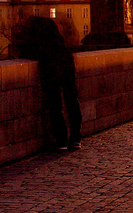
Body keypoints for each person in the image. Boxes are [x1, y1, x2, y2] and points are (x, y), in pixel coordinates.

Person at [12, 16, 82, 151]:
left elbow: (28, 52)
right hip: (65, 64)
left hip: (50, 67)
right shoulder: (63, 50)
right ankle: (75, 138)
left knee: (55, 104)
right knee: (71, 100)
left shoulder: (44, 51)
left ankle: (61, 140)